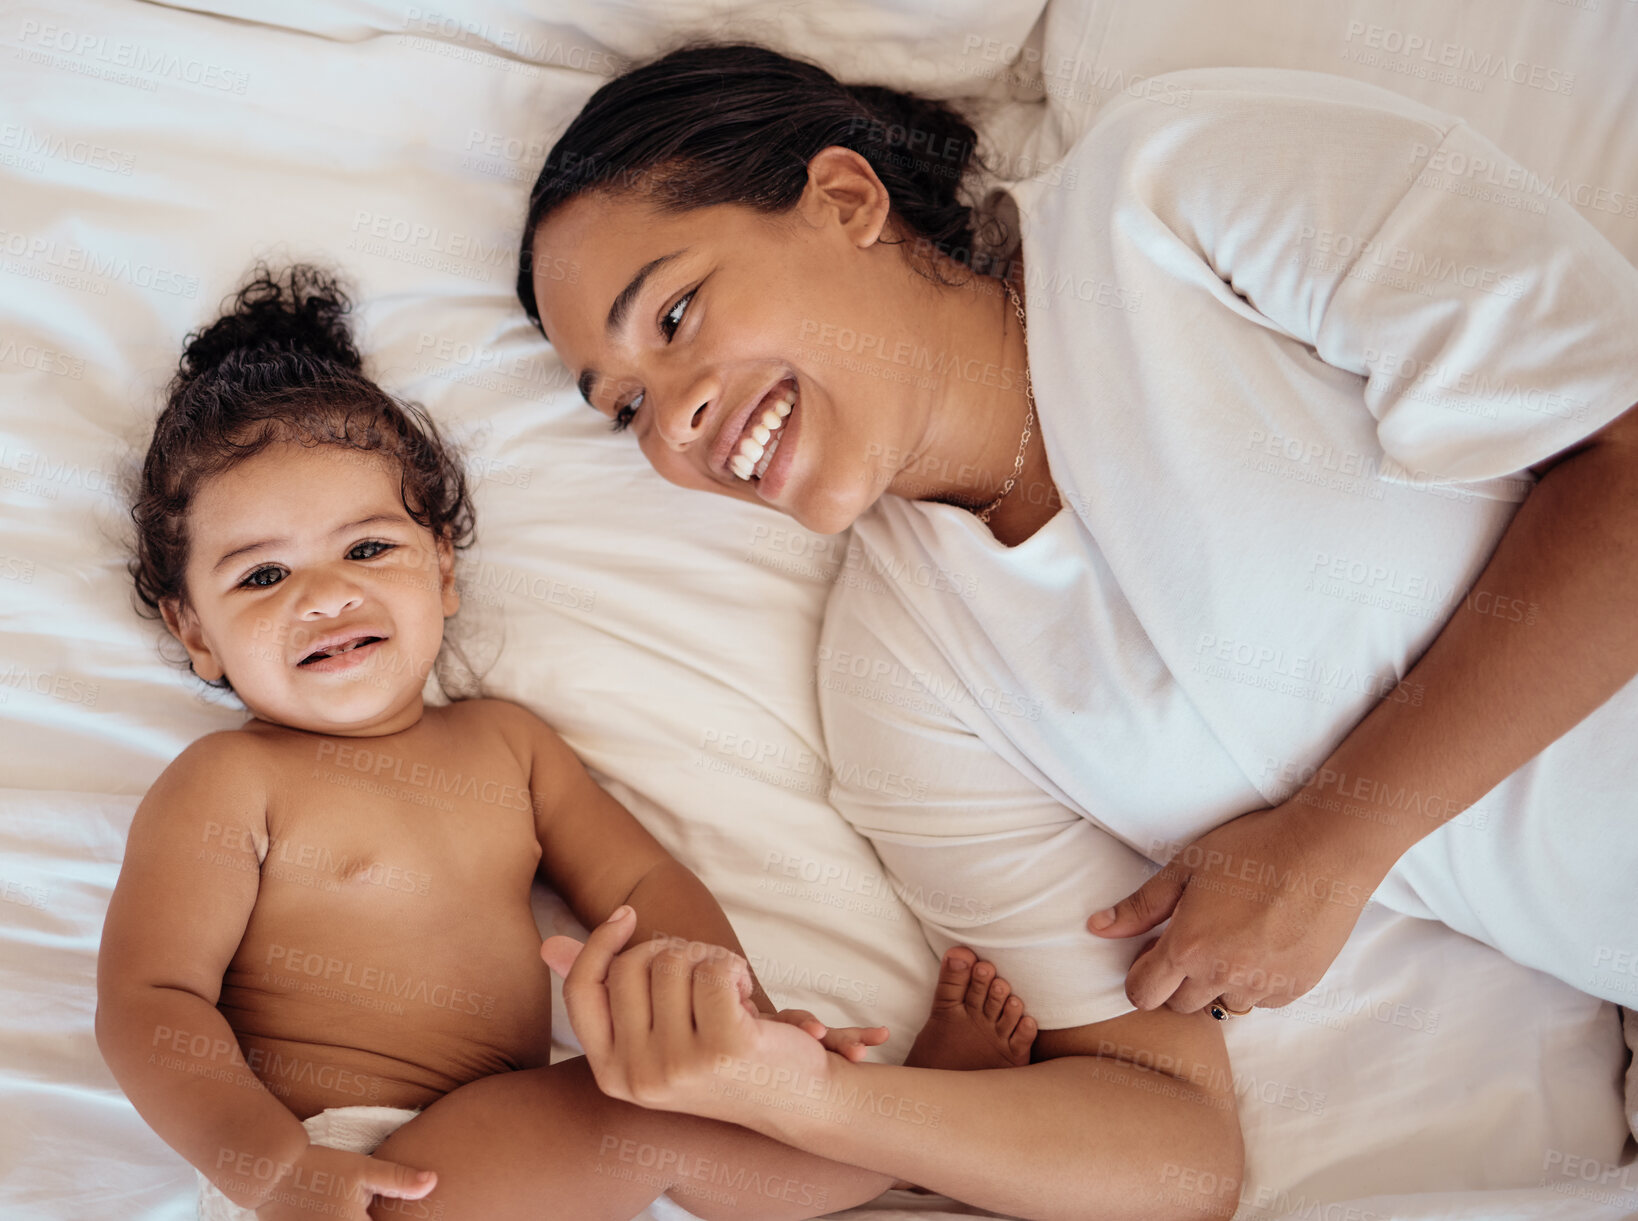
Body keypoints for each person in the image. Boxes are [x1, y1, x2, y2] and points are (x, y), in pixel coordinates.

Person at [518, 35, 1638, 1174]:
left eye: (672, 318)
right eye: (623, 411)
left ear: (844, 197)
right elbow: (1171, 1144)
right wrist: (802, 1100)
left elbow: (1625, 453)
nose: (673, 425)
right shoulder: (901, 687)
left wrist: (1335, 842)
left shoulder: (1171, 192)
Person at [96, 263, 1062, 1221]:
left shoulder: (506, 746)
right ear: (194, 633)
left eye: (367, 548)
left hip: (498, 1152)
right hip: (340, 1162)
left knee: (679, 1106)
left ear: (441, 573)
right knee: (645, 1117)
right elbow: (150, 1002)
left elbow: (643, 888)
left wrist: (737, 1017)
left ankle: (873, 1123)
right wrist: (267, 1168)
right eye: (261, 577)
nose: (324, 593)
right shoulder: (227, 782)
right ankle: (897, 1140)